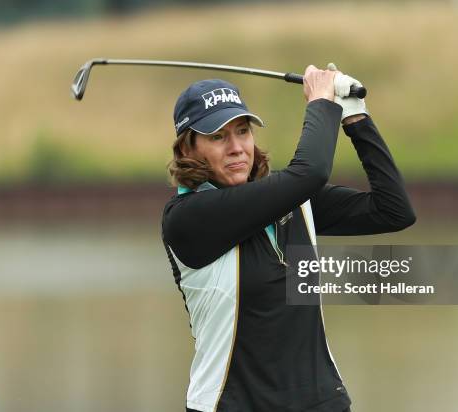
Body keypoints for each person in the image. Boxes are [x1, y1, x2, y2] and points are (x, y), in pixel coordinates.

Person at [162, 64, 415, 412]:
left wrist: (356, 118)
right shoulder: (188, 217)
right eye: (218, 137)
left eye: (243, 131)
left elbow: (394, 210)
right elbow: (309, 172)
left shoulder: (292, 200)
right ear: (188, 149)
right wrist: (322, 103)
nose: (237, 147)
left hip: (322, 403)